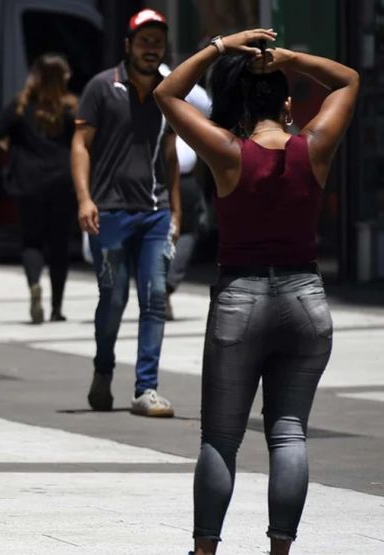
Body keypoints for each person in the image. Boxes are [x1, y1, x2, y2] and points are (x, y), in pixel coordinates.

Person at [154, 29, 358, 555]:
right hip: (305, 298)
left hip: (240, 299)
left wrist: (222, 47)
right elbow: (349, 80)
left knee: (221, 440)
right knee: (289, 433)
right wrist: (292, 57)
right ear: (288, 106)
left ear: (240, 103)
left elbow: (167, 94)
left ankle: (205, 550)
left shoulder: (227, 153)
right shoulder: (313, 148)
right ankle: (280, 550)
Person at [71, 8, 179, 417]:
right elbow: (80, 144)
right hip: (110, 212)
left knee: (153, 298)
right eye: (144, 41)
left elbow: (169, 153)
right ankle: (103, 369)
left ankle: (146, 388)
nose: (151, 49)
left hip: (155, 213)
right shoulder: (102, 87)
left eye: (157, 41)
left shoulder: (169, 90)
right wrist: (84, 198)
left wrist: (177, 211)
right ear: (128, 46)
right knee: (113, 298)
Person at [0, 53, 76, 324]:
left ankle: (33, 284)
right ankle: (57, 308)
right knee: (59, 244)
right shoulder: (71, 107)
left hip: (28, 182)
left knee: (32, 241)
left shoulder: (21, 105)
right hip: (62, 181)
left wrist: (11, 143)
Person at [159, 64, 212, 321]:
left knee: (188, 230)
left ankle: (165, 287)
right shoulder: (126, 87)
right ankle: (157, 286)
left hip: (185, 177)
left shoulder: (183, 84)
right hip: (153, 178)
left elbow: (210, 109)